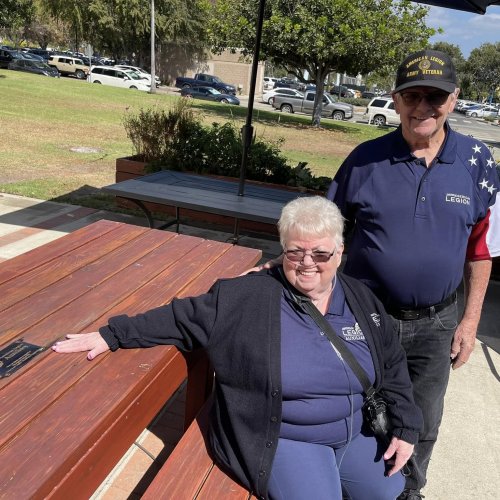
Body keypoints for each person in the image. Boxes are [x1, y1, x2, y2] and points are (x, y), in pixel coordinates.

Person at [52, 196, 422, 500]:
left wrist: (406, 425)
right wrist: (111, 335)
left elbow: (391, 364)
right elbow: (181, 317)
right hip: (287, 438)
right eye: (295, 253)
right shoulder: (247, 298)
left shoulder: (360, 298)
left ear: (340, 253)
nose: (307, 264)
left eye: (320, 254)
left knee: (393, 494)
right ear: (282, 251)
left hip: (357, 432)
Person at [327, 49, 500, 499]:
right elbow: (326, 231)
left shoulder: (478, 163)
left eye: (435, 97)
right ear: (396, 99)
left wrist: (470, 320)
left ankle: (408, 490)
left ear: (455, 99)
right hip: (367, 315)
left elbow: (482, 251)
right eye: (412, 95)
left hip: (437, 321)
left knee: (422, 415)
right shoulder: (365, 160)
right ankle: (354, 482)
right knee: (356, 403)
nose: (423, 107)